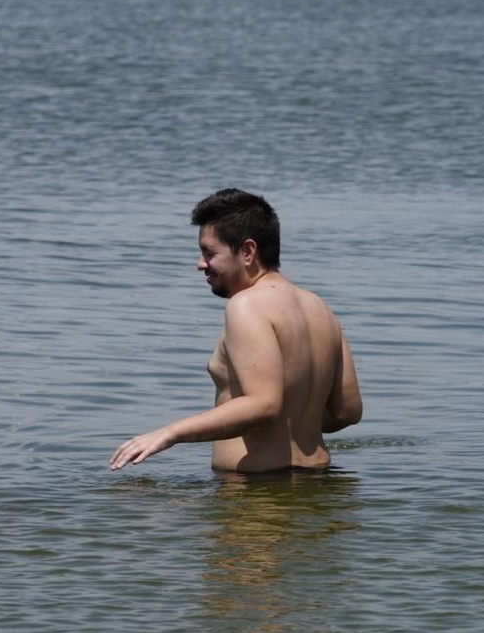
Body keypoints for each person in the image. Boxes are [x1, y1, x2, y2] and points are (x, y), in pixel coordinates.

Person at [110, 189, 363, 473]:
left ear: (247, 251)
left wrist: (170, 433)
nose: (200, 264)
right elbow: (347, 411)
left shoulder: (246, 305)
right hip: (318, 480)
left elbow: (264, 404)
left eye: (209, 252)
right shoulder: (318, 307)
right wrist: (293, 423)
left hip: (257, 494)